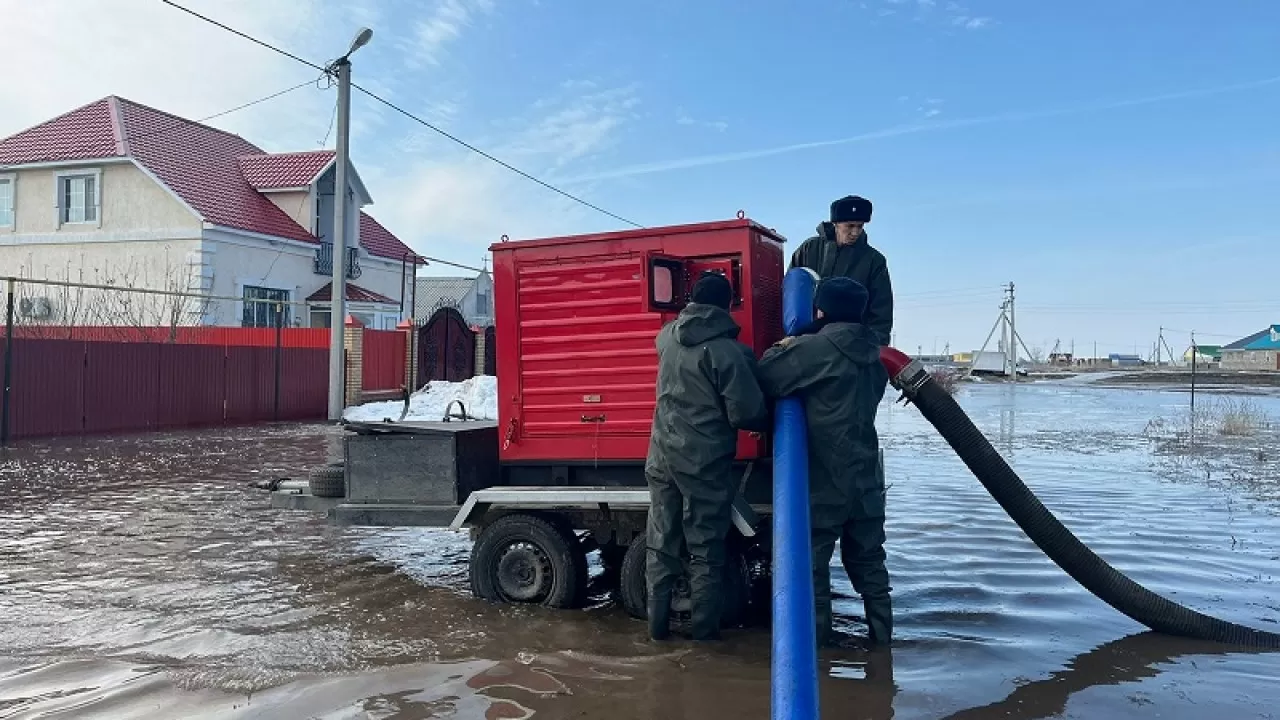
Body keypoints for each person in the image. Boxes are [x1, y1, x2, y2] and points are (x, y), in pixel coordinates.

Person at [756, 276, 893, 647]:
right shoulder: (877, 355)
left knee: (812, 569)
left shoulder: (816, 350)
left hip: (824, 477)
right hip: (866, 478)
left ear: (821, 310)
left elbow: (767, 376)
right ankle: (883, 649)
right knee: (870, 566)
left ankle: (821, 653)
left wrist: (787, 345)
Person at [645, 271, 771, 642]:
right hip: (703, 463)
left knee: (662, 541)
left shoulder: (666, 337)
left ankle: (656, 633)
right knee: (705, 549)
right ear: (727, 306)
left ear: (691, 302)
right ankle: (703, 642)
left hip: (661, 455)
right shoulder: (729, 353)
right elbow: (747, 413)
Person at [789, 195, 894, 345]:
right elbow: (790, 293)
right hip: (805, 341)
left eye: (860, 226)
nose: (855, 232)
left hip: (851, 347)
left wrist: (874, 349)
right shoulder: (808, 249)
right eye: (850, 226)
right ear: (835, 223)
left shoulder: (874, 261)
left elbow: (881, 314)